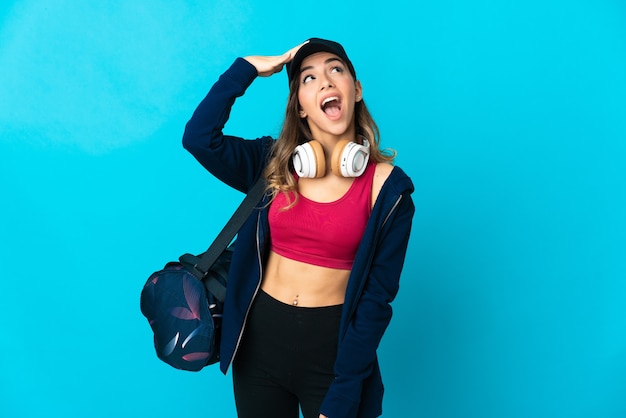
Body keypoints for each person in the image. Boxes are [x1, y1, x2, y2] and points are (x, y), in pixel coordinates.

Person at [182, 38, 415, 418]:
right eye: (309, 78)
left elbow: (376, 301)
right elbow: (198, 138)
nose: (324, 82)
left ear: (355, 91)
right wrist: (247, 69)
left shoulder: (390, 190)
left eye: (335, 69)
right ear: (301, 108)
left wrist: (343, 396)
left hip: (333, 356)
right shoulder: (272, 164)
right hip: (258, 348)